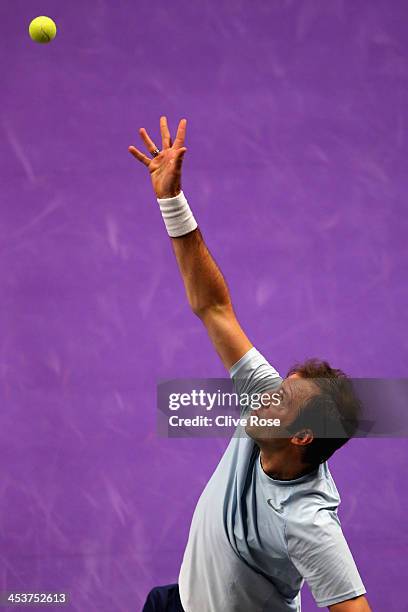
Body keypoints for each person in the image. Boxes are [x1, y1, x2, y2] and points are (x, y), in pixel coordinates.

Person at [129, 117, 372, 612]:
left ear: (302, 435)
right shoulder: (265, 403)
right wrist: (171, 202)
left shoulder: (308, 522)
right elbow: (214, 308)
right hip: (177, 603)